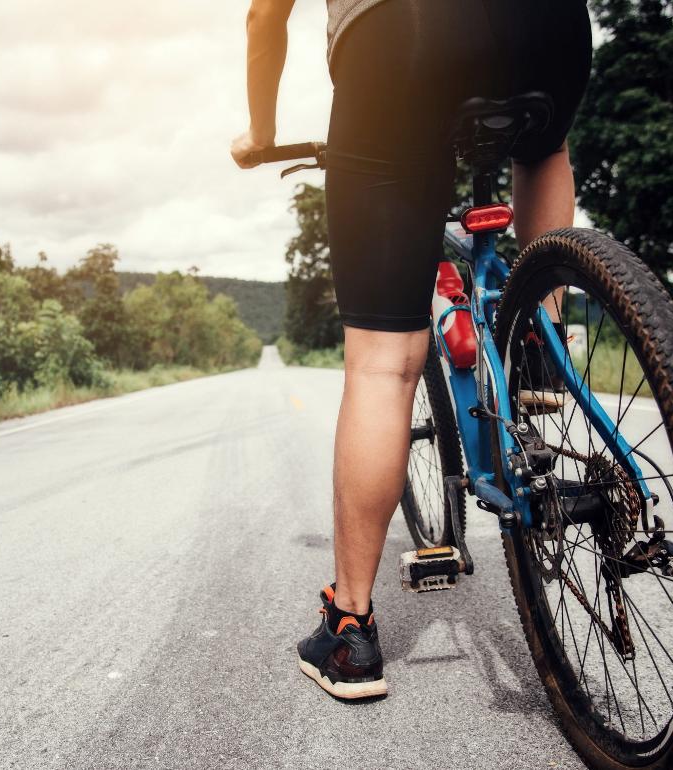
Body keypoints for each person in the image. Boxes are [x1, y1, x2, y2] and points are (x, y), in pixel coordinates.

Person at [231, 0, 592, 700]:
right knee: (543, 146)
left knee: (383, 363)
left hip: (405, 35)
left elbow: (264, 15)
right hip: (550, 28)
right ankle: (540, 345)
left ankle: (350, 630)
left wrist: (260, 133)